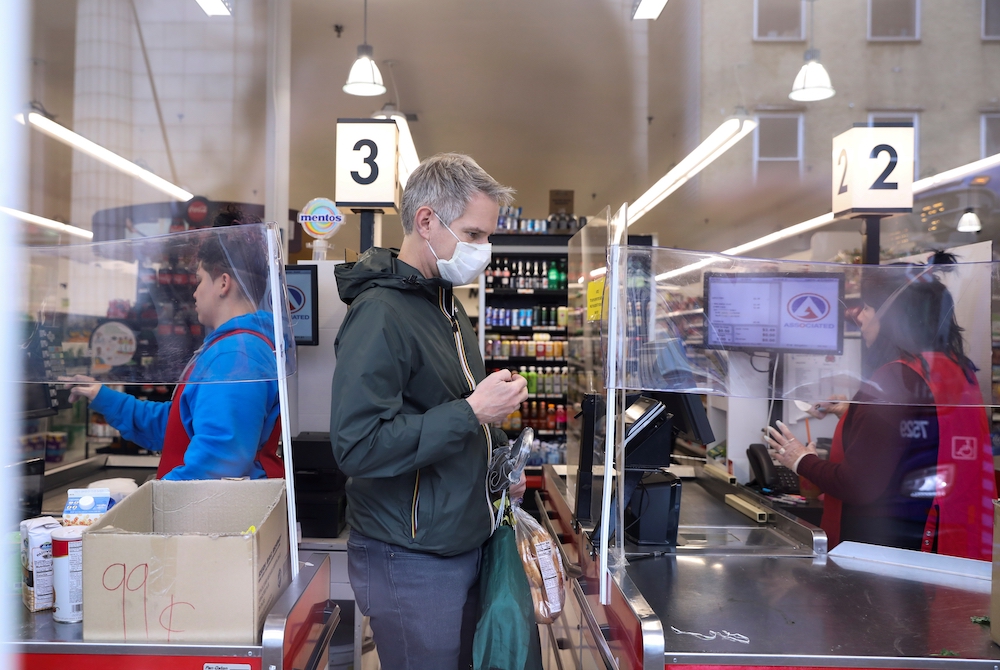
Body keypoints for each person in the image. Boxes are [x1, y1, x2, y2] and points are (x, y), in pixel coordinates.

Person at [329, 153, 528, 669]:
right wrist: (473, 412)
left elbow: (443, 408)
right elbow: (358, 444)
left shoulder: (444, 306)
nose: (484, 250)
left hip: (457, 538)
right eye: (475, 234)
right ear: (426, 221)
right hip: (409, 555)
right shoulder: (380, 313)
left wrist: (498, 463)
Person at [766, 253, 996, 560]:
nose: (859, 316)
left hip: (888, 555)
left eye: (868, 307)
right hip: (945, 541)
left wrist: (800, 459)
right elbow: (922, 437)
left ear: (894, 317)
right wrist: (856, 411)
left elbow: (859, 485)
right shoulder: (955, 369)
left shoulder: (894, 377)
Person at [68, 225, 283, 481]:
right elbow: (176, 426)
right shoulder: (233, 347)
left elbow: (216, 464)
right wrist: (102, 396)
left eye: (200, 280)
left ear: (223, 283)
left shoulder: (234, 356)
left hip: (209, 516)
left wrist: (152, 503)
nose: (194, 292)